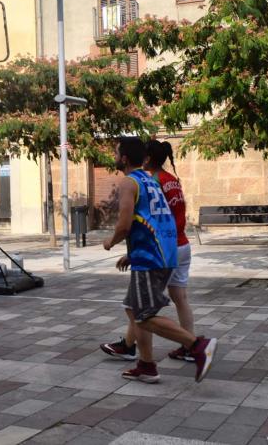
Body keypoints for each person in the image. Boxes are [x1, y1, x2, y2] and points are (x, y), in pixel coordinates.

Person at [99, 137, 215, 383]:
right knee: (133, 308)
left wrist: (111, 241)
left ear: (125, 158)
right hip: (162, 252)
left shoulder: (129, 183)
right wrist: (134, 253)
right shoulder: (151, 181)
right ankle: (146, 365)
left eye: (116, 152)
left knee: (144, 316)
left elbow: (124, 224)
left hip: (151, 258)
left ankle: (197, 345)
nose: (114, 155)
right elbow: (157, 220)